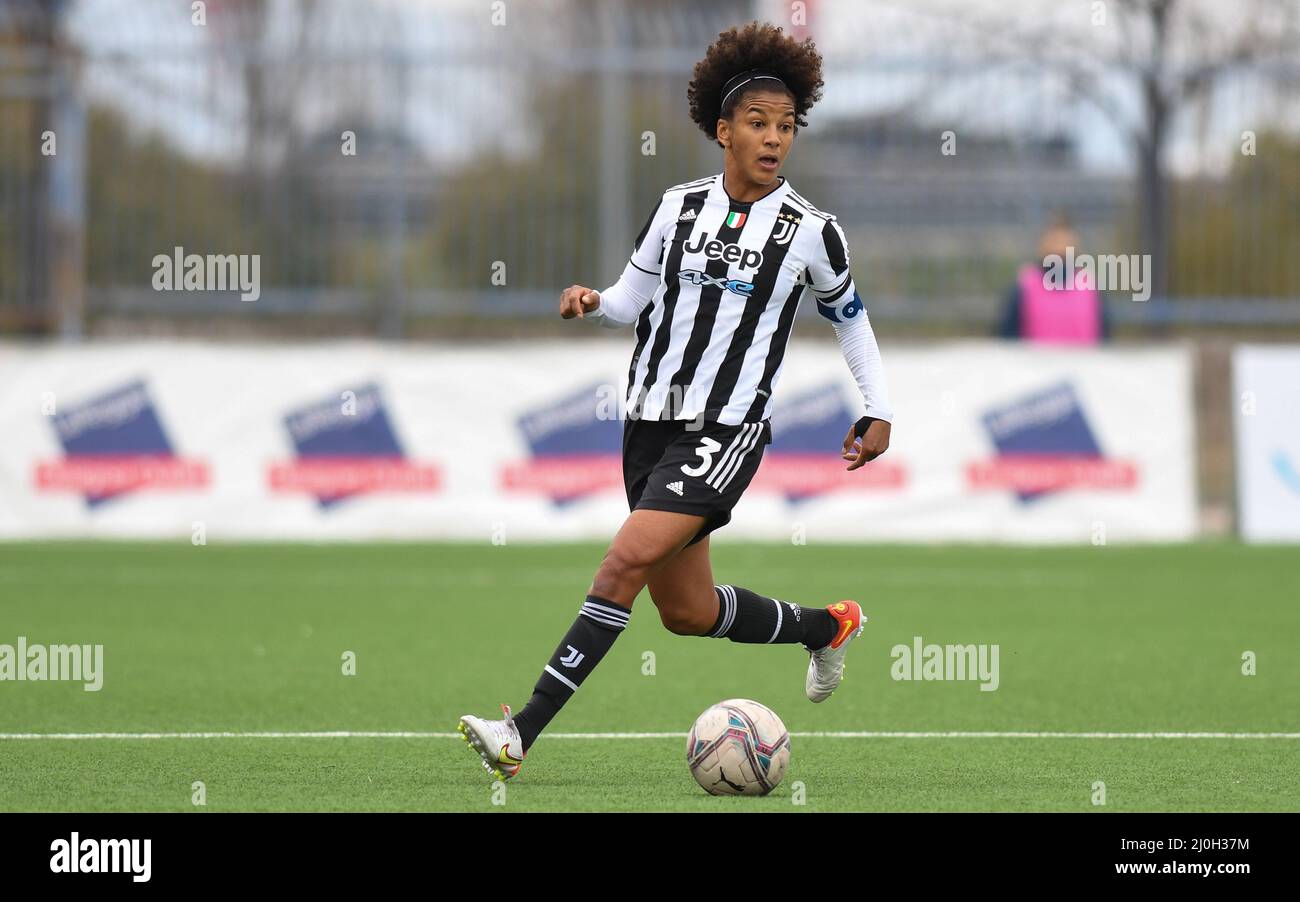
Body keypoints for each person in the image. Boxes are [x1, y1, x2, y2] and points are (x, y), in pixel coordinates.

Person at [458, 21, 893, 781]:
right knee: (686, 614)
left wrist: (878, 407)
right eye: (757, 124)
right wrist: (593, 301)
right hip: (647, 428)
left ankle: (519, 732)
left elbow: (851, 321)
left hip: (725, 432)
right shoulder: (677, 206)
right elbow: (632, 301)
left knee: (620, 563)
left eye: (786, 127)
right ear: (722, 130)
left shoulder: (811, 232)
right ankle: (828, 627)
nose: (773, 139)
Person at [997, 216, 1110, 343]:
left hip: (1082, 361)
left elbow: (1104, 336)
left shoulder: (1091, 287)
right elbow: (1008, 336)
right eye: (1054, 241)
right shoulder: (1024, 287)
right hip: (1034, 361)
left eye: (1065, 242)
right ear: (1042, 245)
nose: (1059, 248)